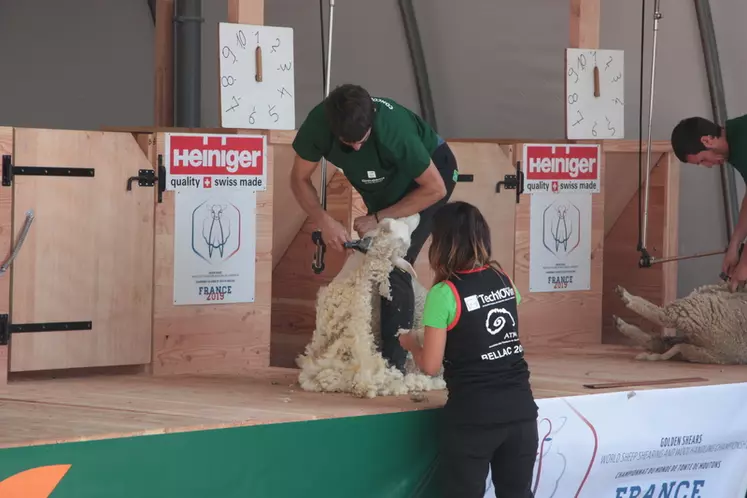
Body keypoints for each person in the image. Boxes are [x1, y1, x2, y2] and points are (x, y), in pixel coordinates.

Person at [290, 83, 459, 372]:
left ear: (372, 121)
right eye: (347, 143)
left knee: (390, 261)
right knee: (375, 264)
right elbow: (298, 179)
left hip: (429, 179)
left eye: (362, 140)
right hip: (384, 186)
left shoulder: (394, 131)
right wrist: (324, 220)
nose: (355, 147)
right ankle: (371, 353)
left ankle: (393, 369)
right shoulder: (318, 125)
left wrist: (379, 217)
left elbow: (435, 188)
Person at [398, 201, 539, 498]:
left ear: (442, 244)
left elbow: (431, 366)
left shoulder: (444, 292)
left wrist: (411, 343)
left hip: (474, 418)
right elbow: (497, 339)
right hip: (521, 413)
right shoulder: (505, 280)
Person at [670, 115, 747, 291]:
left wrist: (744, 265)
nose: (708, 165)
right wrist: (734, 245)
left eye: (703, 160)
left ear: (707, 140)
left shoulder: (743, 142)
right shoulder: (735, 143)